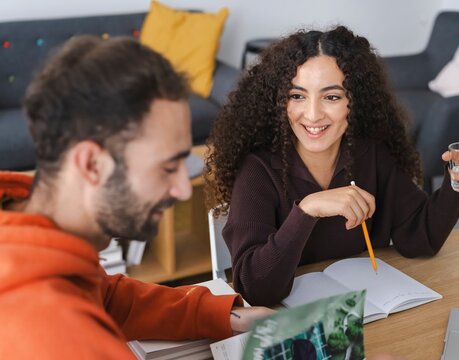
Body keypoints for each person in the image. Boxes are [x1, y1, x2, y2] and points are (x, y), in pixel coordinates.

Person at [0, 36, 272, 359]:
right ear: (91, 164)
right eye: (167, 167)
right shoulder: (56, 335)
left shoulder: (31, 233)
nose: (184, 190)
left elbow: (108, 297)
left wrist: (224, 316)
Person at [205, 26, 459, 307]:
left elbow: (421, 240)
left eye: (331, 97)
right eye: (297, 96)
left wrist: (456, 182)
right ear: (279, 102)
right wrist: (307, 210)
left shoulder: (372, 154)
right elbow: (255, 289)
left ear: (355, 102)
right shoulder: (257, 170)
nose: (313, 114)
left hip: (375, 316)